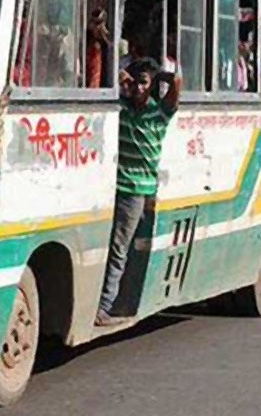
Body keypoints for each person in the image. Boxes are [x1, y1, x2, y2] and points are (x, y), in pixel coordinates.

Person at [96, 57, 181, 326]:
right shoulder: (121, 109)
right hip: (115, 187)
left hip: (136, 191)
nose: (138, 88)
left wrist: (156, 79)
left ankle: (105, 305)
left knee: (120, 248)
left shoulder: (160, 114)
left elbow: (176, 82)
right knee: (114, 247)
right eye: (135, 83)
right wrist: (129, 79)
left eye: (144, 84)